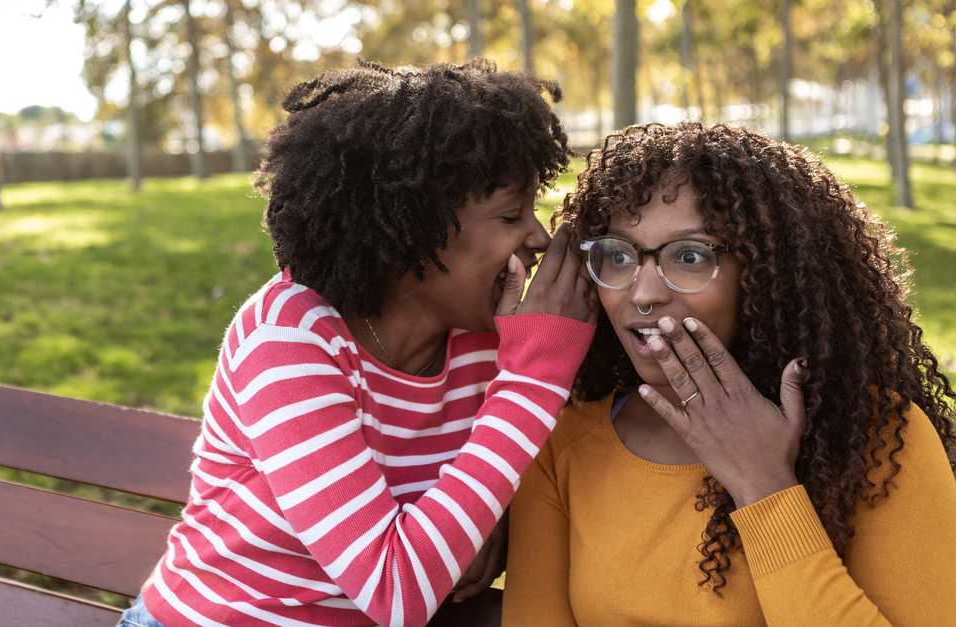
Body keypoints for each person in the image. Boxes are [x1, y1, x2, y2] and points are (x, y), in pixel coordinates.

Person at [118, 60, 598, 627]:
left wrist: (497, 523)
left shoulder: (484, 334)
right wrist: (532, 379)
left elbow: (496, 490)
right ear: (413, 232)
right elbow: (396, 590)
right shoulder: (291, 339)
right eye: (511, 215)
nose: (539, 236)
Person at [502, 122, 956, 625]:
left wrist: (764, 486)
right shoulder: (563, 444)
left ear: (768, 275)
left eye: (690, 256)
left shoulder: (876, 439)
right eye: (618, 255)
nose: (643, 293)